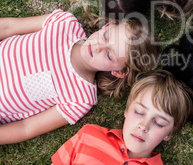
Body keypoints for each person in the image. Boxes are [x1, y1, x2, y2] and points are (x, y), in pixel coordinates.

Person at [0, 10, 159, 144]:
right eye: (105, 37)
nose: (98, 47)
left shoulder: (80, 99)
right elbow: (8, 27)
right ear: (107, 26)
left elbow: (26, 127)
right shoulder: (64, 23)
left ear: (118, 72)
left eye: (109, 55)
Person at [51, 70, 193, 164]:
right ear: (127, 110)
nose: (143, 126)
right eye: (139, 112)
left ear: (170, 133)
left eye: (158, 122)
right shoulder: (89, 135)